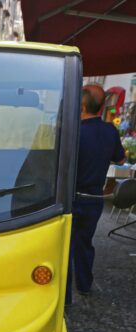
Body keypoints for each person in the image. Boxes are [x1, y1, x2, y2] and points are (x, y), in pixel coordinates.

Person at [66, 84, 125, 305]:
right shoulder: (110, 131)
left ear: (81, 105)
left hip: (71, 197)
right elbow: (120, 159)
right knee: (84, 242)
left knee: (65, 246)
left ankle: (65, 297)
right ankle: (84, 283)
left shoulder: (74, 131)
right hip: (95, 198)